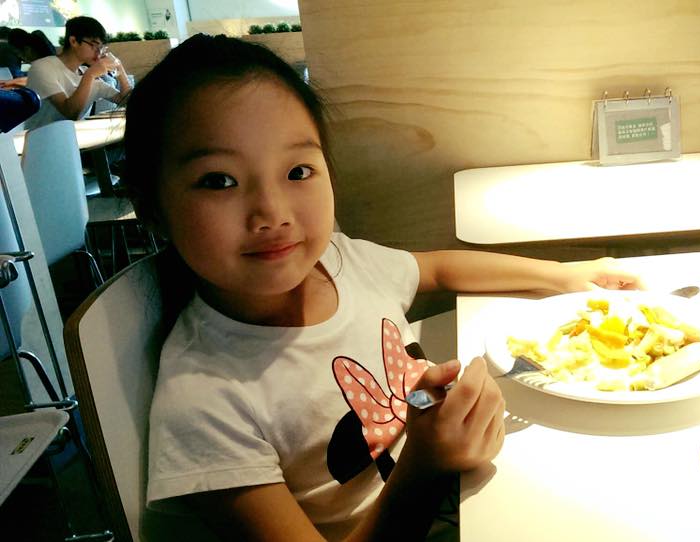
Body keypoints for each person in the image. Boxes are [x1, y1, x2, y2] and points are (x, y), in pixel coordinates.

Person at [124, 34, 643, 541]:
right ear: (152, 208)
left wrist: (563, 275)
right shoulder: (202, 402)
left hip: (474, 490)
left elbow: (437, 270)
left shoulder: (340, 262)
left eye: (298, 170)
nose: (273, 213)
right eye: (219, 180)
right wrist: (426, 463)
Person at [23, 16, 130, 129]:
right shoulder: (42, 67)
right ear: (73, 41)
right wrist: (89, 75)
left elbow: (126, 101)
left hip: (74, 137)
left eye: (101, 47)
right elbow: (70, 113)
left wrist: (119, 68)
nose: (98, 52)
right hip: (41, 137)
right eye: (94, 45)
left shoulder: (86, 72)